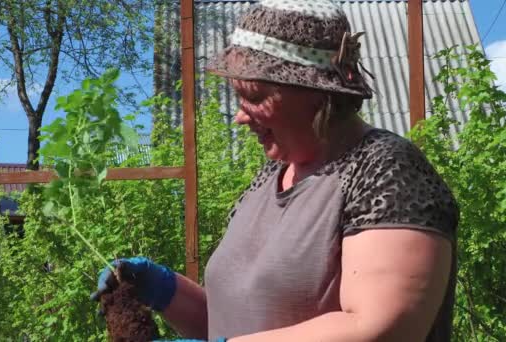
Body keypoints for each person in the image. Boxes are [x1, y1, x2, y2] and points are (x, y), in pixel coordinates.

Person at [91, 0, 459, 341]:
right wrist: (164, 290)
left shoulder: (386, 170)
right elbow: (234, 323)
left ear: (317, 93)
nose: (238, 116)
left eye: (252, 97)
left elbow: (379, 328)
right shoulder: (270, 176)